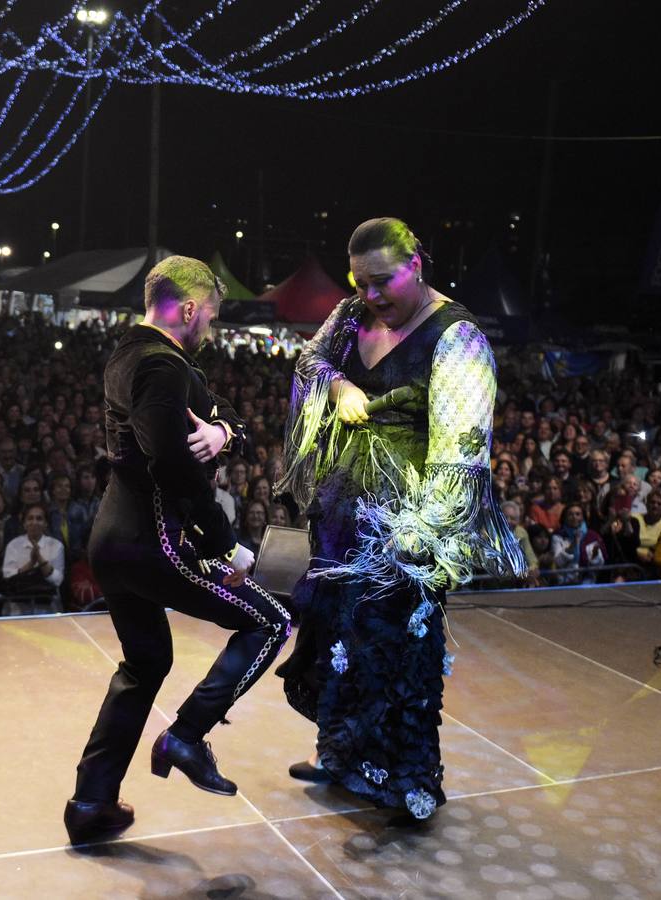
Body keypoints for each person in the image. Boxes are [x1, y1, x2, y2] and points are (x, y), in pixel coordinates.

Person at [274, 218, 523, 822]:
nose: (371, 294)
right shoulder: (351, 316)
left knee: (396, 654)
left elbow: (461, 451)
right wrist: (335, 386)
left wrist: (423, 537)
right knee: (338, 640)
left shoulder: (456, 335)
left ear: (418, 264)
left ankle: (404, 786)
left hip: (407, 530)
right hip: (341, 517)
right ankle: (339, 757)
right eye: (360, 282)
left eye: (383, 280)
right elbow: (308, 363)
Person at [66, 255, 286, 846]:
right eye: (211, 315)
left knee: (145, 664)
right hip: (152, 542)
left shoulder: (130, 356)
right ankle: (186, 735)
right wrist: (226, 544)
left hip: (113, 539)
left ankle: (91, 803)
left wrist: (223, 432)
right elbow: (169, 462)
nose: (210, 326)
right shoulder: (164, 368)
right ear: (189, 309)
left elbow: (221, 416)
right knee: (270, 622)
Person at [1, 502, 66, 616]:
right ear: (24, 523)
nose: (34, 522)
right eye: (30, 518)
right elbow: (8, 577)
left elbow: (57, 580)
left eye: (39, 518)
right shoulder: (13, 545)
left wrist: (39, 559)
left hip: (48, 610)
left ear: (46, 524)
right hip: (18, 610)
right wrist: (31, 563)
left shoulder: (56, 545)